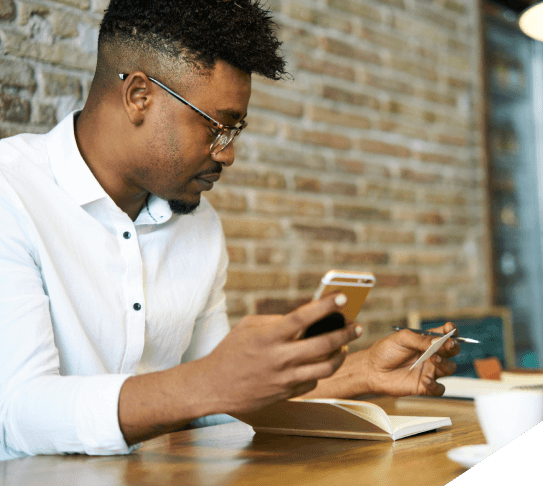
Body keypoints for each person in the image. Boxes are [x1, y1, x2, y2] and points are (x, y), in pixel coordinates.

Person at [0, 0, 460, 461]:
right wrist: (207, 382)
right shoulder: (12, 194)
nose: (227, 154)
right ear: (140, 96)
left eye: (235, 131)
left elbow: (222, 402)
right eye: (218, 128)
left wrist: (361, 373)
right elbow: (20, 414)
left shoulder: (200, 228)